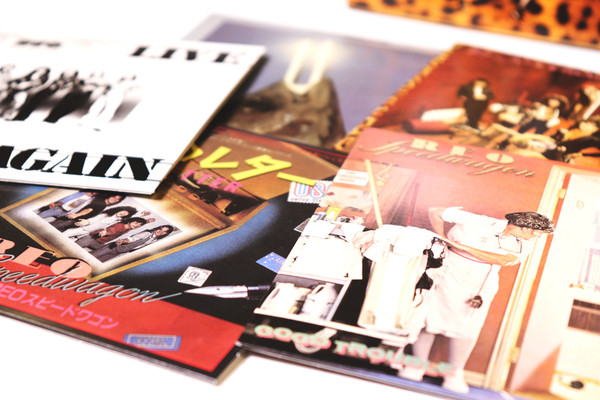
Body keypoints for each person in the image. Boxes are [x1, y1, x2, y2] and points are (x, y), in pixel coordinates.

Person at [353, 207, 554, 393]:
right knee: (427, 318)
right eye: (535, 232)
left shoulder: (525, 244)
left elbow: (504, 260)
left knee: (466, 327)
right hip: (446, 270)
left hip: (477, 283)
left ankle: (454, 372)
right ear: (522, 226)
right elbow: (435, 211)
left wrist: (459, 245)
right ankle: (416, 365)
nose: (536, 237)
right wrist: (440, 236)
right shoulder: (479, 221)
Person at [90, 224, 174, 262]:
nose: (160, 232)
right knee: (93, 256)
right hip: (116, 246)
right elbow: (132, 239)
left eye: (164, 232)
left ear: (166, 234)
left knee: (99, 261)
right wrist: (123, 241)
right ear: (158, 228)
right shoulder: (147, 234)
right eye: (160, 229)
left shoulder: (154, 240)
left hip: (122, 251)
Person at [74, 216, 148, 251]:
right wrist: (106, 232)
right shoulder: (121, 226)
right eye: (135, 223)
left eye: (139, 225)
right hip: (91, 239)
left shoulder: (127, 228)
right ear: (129, 221)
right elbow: (112, 230)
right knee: (73, 249)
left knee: (105, 250)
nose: (137, 225)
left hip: (98, 242)